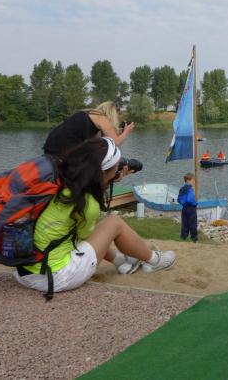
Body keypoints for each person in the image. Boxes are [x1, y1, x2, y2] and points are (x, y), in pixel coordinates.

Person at [14, 137, 176, 294]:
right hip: (55, 277)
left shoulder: (56, 182)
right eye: (115, 169)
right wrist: (105, 181)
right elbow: (86, 236)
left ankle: (121, 261)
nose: (117, 171)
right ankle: (156, 261)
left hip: (26, 271)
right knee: (114, 223)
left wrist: (106, 178)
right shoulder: (87, 203)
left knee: (84, 230)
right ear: (101, 173)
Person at [43, 101, 134, 157]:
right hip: (62, 149)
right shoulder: (102, 118)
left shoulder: (89, 114)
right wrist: (126, 131)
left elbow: (102, 141)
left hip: (51, 144)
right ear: (112, 113)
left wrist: (119, 132)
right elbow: (115, 142)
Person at [178, 173, 198, 242]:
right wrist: (195, 203)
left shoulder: (182, 188)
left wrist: (183, 203)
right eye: (193, 180)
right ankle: (194, 238)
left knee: (184, 223)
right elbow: (189, 199)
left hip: (184, 208)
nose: (194, 182)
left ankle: (183, 237)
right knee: (193, 223)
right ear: (188, 180)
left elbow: (179, 199)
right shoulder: (190, 189)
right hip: (191, 208)